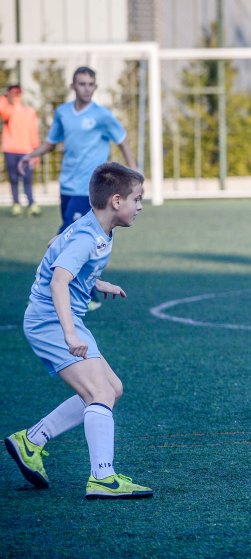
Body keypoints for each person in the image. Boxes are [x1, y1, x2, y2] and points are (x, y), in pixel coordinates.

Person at [4, 162, 152, 500]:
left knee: (112, 388)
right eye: (137, 199)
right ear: (116, 201)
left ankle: (31, 440)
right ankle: (102, 477)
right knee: (99, 393)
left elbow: (60, 257)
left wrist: (97, 283)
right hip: (51, 321)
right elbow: (58, 281)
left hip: (63, 318)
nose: (140, 207)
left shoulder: (94, 230)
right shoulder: (87, 236)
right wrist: (70, 334)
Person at [18, 66, 137, 311]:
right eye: (82, 84)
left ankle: (68, 292)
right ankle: (84, 291)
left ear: (95, 87)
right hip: (67, 186)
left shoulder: (102, 115)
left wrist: (135, 176)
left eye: (91, 84)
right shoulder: (63, 113)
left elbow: (123, 142)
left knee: (63, 238)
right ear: (73, 86)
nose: (86, 88)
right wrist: (30, 155)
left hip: (91, 190)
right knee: (77, 241)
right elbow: (51, 144)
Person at [0, 84, 41, 216]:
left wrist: (36, 152)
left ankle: (31, 203)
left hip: (26, 151)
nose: (15, 96)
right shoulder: (8, 111)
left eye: (17, 93)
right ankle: (16, 203)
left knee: (27, 178)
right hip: (10, 150)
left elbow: (34, 132)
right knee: (13, 178)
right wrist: (5, 96)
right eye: (13, 93)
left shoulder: (30, 112)